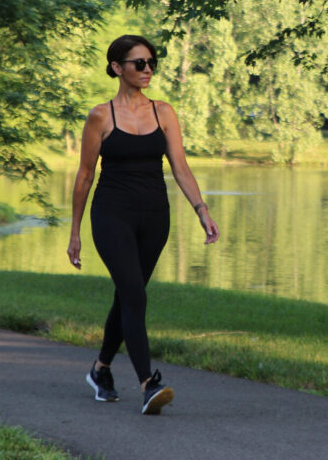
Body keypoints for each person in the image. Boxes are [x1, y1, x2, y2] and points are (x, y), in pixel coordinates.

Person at [66, 34, 220, 415]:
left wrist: (201, 210)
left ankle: (101, 369)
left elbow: (180, 167)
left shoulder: (164, 112)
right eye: (139, 63)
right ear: (118, 68)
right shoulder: (100, 116)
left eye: (152, 61)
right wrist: (74, 232)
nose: (148, 68)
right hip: (111, 214)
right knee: (135, 294)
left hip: (154, 217)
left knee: (127, 294)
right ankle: (148, 383)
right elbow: (85, 175)